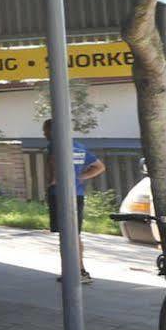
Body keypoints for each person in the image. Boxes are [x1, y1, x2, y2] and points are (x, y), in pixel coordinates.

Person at [42, 121, 106, 282]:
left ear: (52, 130)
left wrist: (53, 181)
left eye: (45, 130)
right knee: (74, 233)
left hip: (61, 194)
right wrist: (80, 177)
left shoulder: (55, 145)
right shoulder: (79, 146)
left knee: (66, 235)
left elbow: (53, 163)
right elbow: (99, 166)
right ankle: (79, 270)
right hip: (77, 193)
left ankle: (74, 272)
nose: (44, 134)